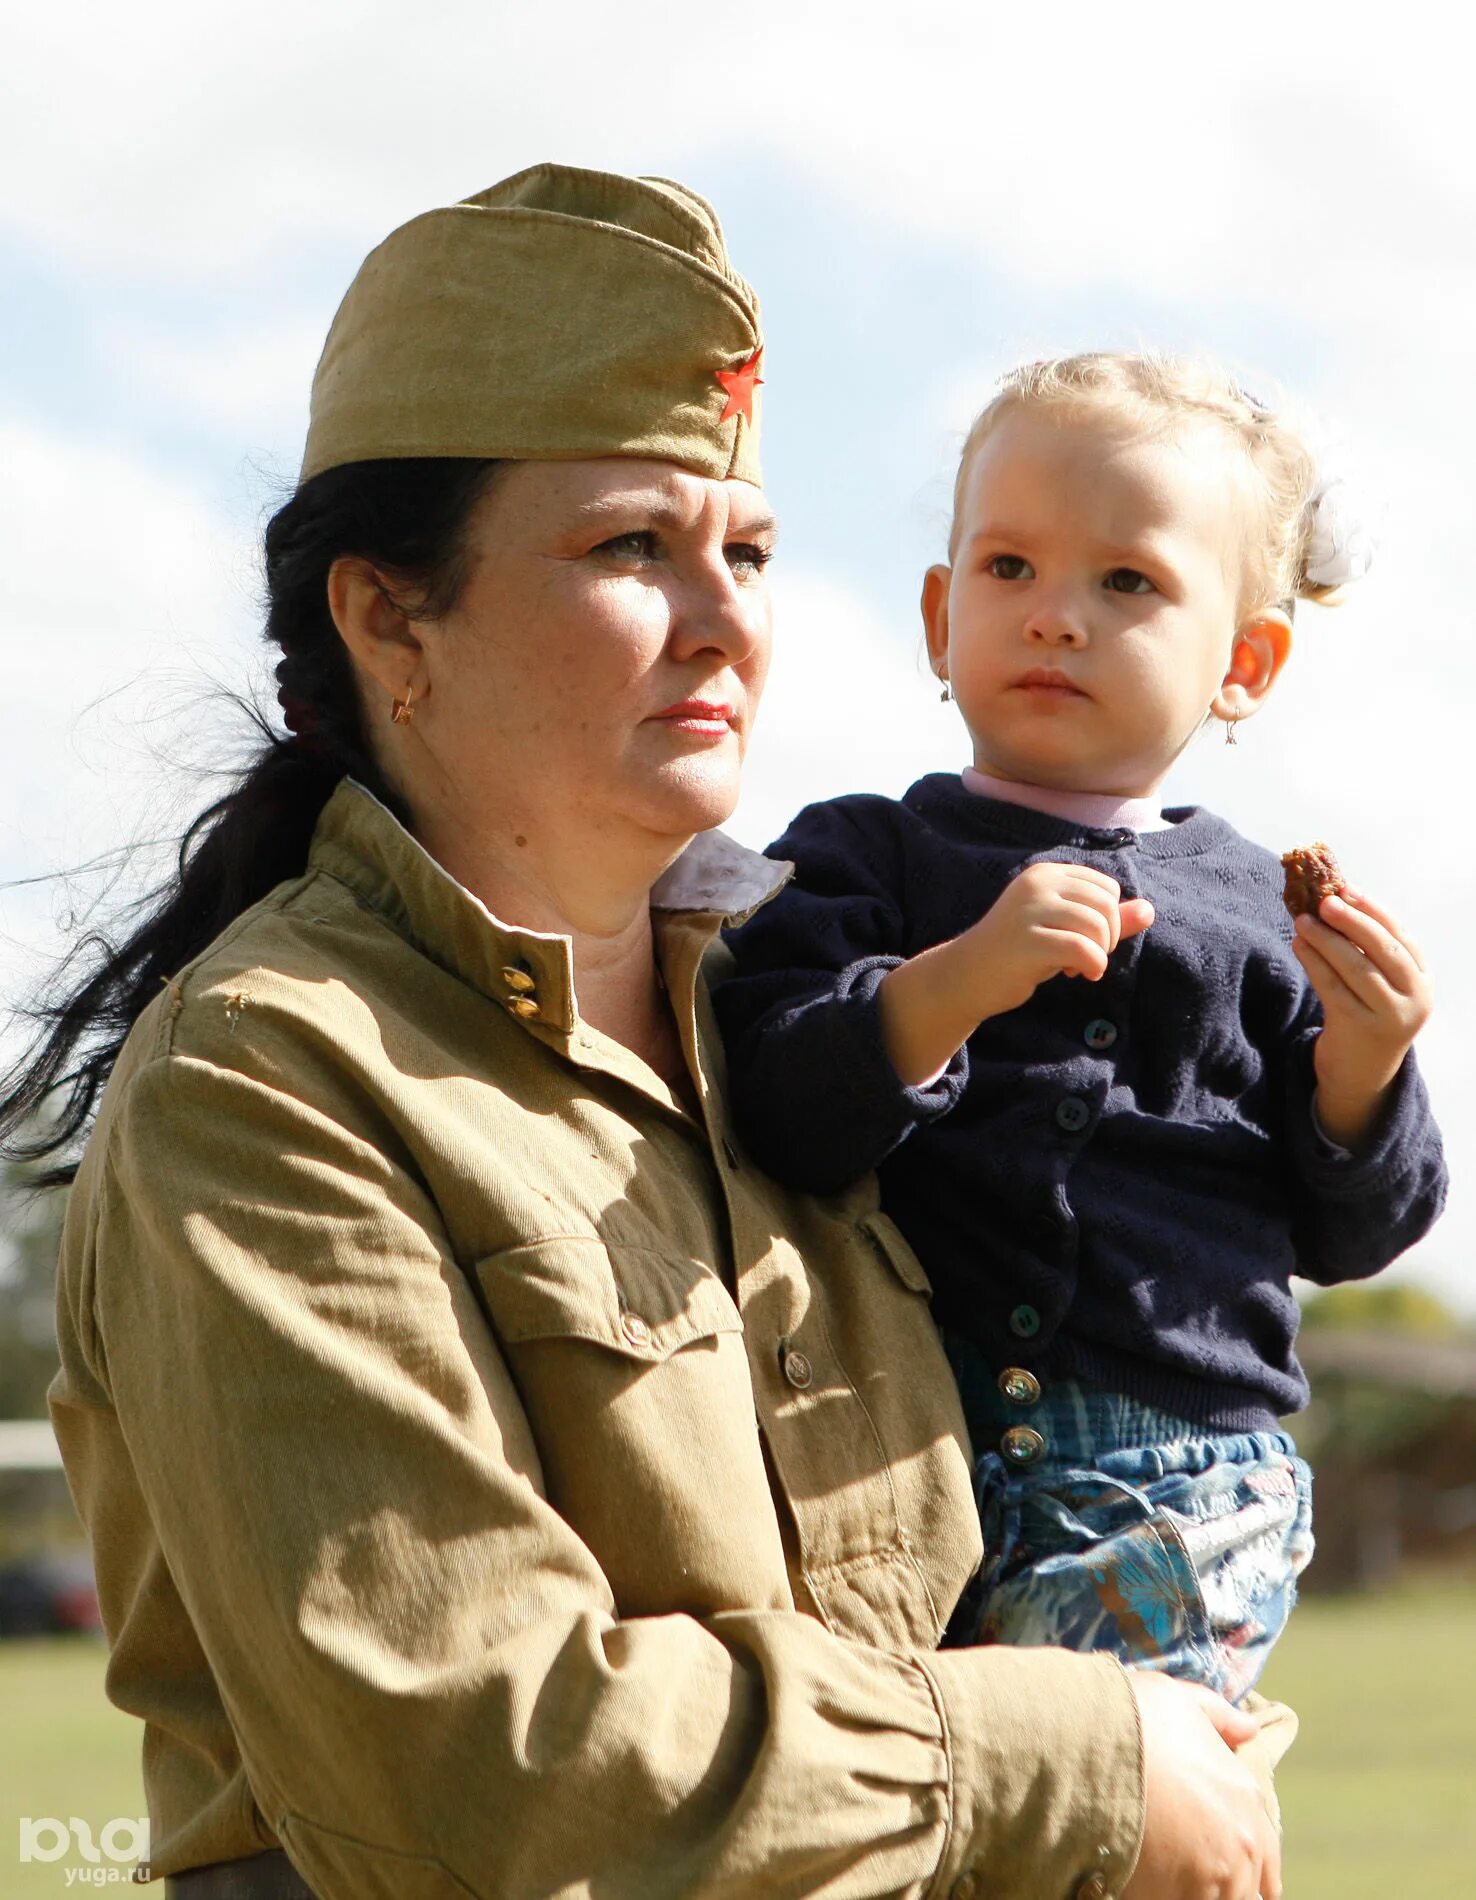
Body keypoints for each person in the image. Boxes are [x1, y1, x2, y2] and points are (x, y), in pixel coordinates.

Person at [11, 179, 1292, 1898]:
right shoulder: (267, 1081)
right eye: (630, 546)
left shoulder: (813, 1023)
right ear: (389, 618)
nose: (723, 615)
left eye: (746, 551)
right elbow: (477, 1760)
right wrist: (1077, 1756)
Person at [714, 352, 1447, 1703]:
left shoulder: (1259, 913)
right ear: (940, 619)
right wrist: (948, 985)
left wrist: (1366, 1066)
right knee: (922, 1809)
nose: (1056, 616)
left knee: (1110, 1809)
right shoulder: (866, 857)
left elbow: (1356, 1231)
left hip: (1171, 1486)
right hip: (881, 1460)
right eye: (1008, 569)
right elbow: (773, 1107)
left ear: (1245, 663)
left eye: (1128, 583)